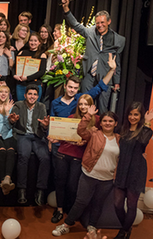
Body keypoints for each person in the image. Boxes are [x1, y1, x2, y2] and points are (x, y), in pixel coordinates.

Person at [52, 106, 120, 237]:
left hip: (107, 179)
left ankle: (92, 226)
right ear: (101, 122)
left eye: (110, 121)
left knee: (98, 204)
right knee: (81, 202)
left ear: (115, 123)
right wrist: (88, 116)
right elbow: (80, 130)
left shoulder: (119, 139)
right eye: (105, 120)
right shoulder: (94, 134)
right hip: (89, 175)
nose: (107, 123)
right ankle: (66, 224)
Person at [61, 0, 125, 113]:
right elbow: (75, 25)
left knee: (102, 108)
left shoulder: (118, 40)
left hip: (106, 77)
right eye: (97, 23)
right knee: (84, 105)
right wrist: (66, 9)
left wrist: (116, 81)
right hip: (89, 75)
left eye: (102, 22)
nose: (99, 25)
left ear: (109, 22)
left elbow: (117, 62)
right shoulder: (90, 32)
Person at [49, 94, 98, 223]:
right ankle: (59, 210)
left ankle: (70, 210)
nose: (83, 107)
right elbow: (63, 136)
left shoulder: (96, 120)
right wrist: (55, 138)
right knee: (60, 182)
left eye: (86, 104)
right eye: (80, 104)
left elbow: (97, 140)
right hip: (63, 153)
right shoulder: (71, 118)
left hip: (79, 157)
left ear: (91, 106)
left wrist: (86, 142)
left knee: (72, 185)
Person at [113, 102, 153, 239]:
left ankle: (123, 232)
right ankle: (127, 226)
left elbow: (143, 142)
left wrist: (147, 123)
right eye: (130, 114)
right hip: (122, 169)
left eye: (136, 114)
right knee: (117, 204)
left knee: (131, 205)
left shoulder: (144, 130)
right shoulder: (123, 130)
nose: (132, 117)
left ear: (141, 115)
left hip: (136, 170)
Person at [8, 84, 50, 205]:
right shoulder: (18, 105)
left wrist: (45, 126)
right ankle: (22, 190)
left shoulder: (41, 106)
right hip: (23, 135)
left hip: (37, 137)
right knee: (23, 156)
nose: (32, 97)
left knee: (45, 158)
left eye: (35, 94)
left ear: (38, 96)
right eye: (30, 94)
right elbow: (11, 122)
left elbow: (43, 128)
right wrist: (12, 120)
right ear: (25, 95)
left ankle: (40, 191)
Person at [13, 32, 47, 101]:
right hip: (21, 85)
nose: (33, 43)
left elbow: (41, 72)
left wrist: (27, 78)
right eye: (31, 40)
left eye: (35, 41)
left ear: (39, 42)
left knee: (34, 108)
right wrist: (14, 75)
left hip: (35, 86)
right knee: (21, 106)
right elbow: (14, 67)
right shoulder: (22, 52)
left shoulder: (42, 55)